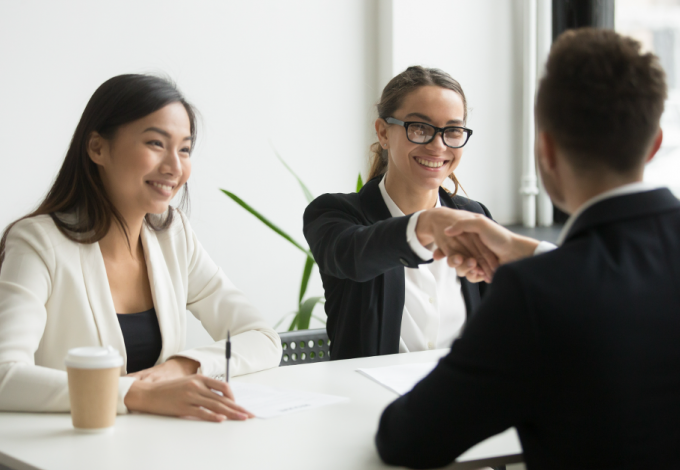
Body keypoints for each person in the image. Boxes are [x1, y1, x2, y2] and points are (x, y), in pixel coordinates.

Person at [375, 28, 680, 469]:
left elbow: (407, 439)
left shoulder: (536, 296)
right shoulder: (550, 281)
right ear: (653, 144)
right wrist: (529, 252)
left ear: (546, 149)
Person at [0, 74, 282, 422]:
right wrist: (138, 393)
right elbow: (4, 375)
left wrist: (184, 365)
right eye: (155, 143)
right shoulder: (38, 243)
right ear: (97, 148)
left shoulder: (174, 237)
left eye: (184, 149)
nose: (175, 167)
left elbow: (262, 338)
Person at [303, 66, 512, 360]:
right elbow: (353, 255)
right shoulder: (335, 214)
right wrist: (425, 225)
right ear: (383, 132)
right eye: (420, 128)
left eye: (452, 131)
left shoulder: (475, 215)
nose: (438, 146)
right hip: (369, 402)